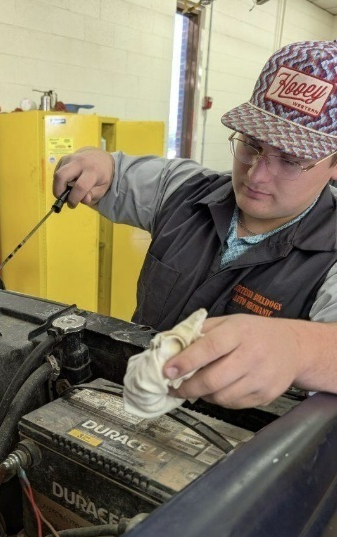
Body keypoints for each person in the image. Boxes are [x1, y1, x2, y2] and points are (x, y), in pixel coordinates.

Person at [52, 39, 337, 411]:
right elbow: (113, 172)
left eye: (289, 159)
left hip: (237, 453)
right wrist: (95, 160)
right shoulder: (185, 189)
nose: (257, 174)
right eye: (251, 145)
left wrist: (299, 348)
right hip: (135, 409)